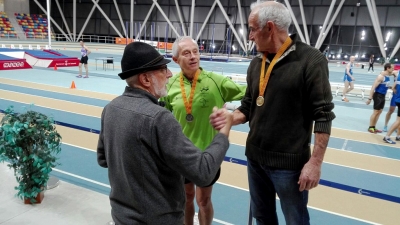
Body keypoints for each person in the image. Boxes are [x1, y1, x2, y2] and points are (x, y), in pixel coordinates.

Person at [213, 1, 336, 224]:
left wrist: (315, 163)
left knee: (295, 220)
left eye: (252, 28)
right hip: (255, 160)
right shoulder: (255, 65)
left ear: (269, 28)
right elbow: (249, 106)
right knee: (262, 217)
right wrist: (231, 117)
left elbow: (323, 115)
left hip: (289, 167)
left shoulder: (311, 60)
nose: (249, 36)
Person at [96, 42, 233, 224]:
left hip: (121, 217)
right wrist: (224, 132)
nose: (169, 74)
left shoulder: (111, 109)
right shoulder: (159, 118)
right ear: (146, 79)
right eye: (163, 70)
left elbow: (103, 159)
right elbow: (203, 172)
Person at [161, 36, 246, 225]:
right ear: (175, 60)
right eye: (186, 53)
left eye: (195, 52)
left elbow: (249, 94)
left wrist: (234, 115)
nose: (193, 57)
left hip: (208, 155)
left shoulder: (216, 81)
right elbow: (163, 119)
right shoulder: (170, 85)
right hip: (181, 155)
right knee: (186, 198)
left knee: (203, 200)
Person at [366, 63, 397, 133]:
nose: (393, 69)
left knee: (379, 112)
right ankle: (370, 127)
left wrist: (395, 89)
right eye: (392, 68)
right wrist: (369, 98)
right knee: (376, 112)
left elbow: (391, 87)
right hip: (377, 95)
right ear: (387, 68)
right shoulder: (381, 77)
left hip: (383, 95)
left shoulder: (391, 76)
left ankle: (374, 127)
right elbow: (373, 87)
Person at [383, 70, 400, 144]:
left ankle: (398, 135)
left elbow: (396, 83)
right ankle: (387, 136)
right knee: (398, 120)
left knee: (399, 119)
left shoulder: (399, 73)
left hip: (398, 98)